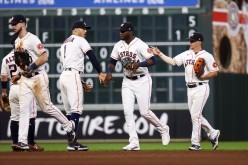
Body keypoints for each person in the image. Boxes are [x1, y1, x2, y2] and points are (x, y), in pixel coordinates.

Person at [9, 14, 75, 150]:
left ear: (23, 23)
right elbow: (23, 64)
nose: (13, 26)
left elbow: (44, 56)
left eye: (15, 23)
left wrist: (30, 68)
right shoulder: (16, 41)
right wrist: (19, 74)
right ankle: (22, 141)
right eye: (12, 24)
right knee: (23, 109)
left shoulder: (32, 39)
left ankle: (69, 126)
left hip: (38, 77)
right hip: (25, 79)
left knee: (47, 108)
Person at [103, 22, 170, 151]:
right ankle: (134, 142)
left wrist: (138, 64)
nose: (120, 33)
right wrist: (109, 73)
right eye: (120, 31)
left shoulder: (140, 44)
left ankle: (163, 128)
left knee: (144, 112)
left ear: (130, 31)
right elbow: (112, 61)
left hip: (142, 80)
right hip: (127, 81)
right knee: (127, 111)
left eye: (123, 31)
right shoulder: (118, 45)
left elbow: (153, 60)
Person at [150, 32, 220, 151]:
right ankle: (213, 133)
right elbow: (172, 61)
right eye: (190, 40)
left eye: (192, 40)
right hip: (190, 88)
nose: (190, 42)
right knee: (195, 115)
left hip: (201, 87)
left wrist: (204, 77)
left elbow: (215, 72)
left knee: (195, 116)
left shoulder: (207, 55)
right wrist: (159, 54)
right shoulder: (186, 54)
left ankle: (196, 143)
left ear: (199, 42)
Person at [59, 20, 105, 151]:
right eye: (83, 28)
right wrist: (100, 72)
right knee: (76, 110)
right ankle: (72, 140)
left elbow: (67, 63)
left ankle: (71, 142)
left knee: (69, 112)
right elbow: (91, 56)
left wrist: (80, 81)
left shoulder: (64, 43)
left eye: (86, 29)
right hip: (72, 75)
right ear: (75, 30)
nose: (85, 31)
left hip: (63, 76)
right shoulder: (80, 40)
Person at [1, 51, 44, 152]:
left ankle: (16, 143)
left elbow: (3, 77)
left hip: (13, 90)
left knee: (14, 117)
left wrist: (3, 92)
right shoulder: (26, 55)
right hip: (25, 88)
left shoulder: (6, 58)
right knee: (31, 116)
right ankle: (31, 144)